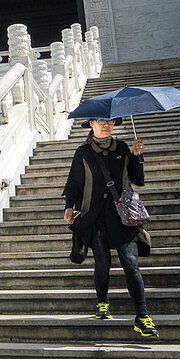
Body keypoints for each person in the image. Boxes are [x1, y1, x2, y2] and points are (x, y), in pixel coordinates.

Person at [62, 117, 158, 338]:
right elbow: (75, 183)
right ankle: (103, 302)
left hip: (122, 216)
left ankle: (142, 316)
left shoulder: (123, 147)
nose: (106, 125)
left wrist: (137, 156)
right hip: (95, 215)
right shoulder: (83, 152)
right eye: (101, 121)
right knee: (102, 262)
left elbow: (137, 179)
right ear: (92, 125)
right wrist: (69, 206)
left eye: (110, 122)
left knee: (131, 264)